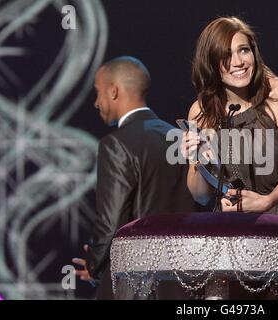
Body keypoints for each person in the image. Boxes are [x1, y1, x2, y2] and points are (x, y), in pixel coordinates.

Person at [180, 17, 278, 299]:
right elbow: (199, 194)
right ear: (210, 62)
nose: (238, 62)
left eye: (244, 50)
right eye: (225, 56)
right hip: (231, 236)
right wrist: (195, 159)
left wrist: (267, 201)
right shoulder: (200, 110)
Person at [72, 56, 196, 299]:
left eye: (98, 93)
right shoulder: (179, 137)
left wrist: (95, 264)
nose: (96, 103)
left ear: (114, 91)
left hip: (135, 283)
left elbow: (111, 221)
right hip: (181, 283)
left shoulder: (115, 144)